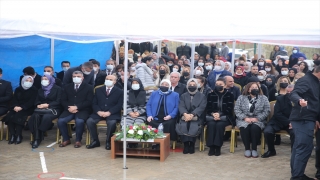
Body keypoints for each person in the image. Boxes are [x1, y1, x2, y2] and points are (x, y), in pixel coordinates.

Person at [289, 66, 320, 180]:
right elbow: (294, 94)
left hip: (308, 118)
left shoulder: (315, 81)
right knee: (304, 147)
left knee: (299, 146)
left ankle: (296, 173)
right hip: (303, 118)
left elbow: (316, 102)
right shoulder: (306, 80)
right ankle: (297, 176)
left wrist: (316, 118)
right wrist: (299, 101)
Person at [86, 75, 123, 150]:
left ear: (115, 82)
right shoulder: (98, 90)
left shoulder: (120, 91)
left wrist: (110, 112)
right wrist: (98, 111)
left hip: (112, 113)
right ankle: (95, 141)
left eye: (111, 79)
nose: (108, 80)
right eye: (107, 79)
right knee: (90, 121)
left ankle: (108, 141)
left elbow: (119, 105)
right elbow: (94, 103)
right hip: (99, 112)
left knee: (112, 123)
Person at [57, 71, 93, 148]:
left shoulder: (89, 87)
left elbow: (89, 101)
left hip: (83, 110)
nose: (76, 78)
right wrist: (69, 107)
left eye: (78, 76)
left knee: (79, 121)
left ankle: (78, 140)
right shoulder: (67, 87)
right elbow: (63, 100)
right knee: (60, 121)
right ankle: (66, 139)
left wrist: (77, 107)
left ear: (82, 78)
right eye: (74, 76)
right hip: (69, 109)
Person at [234, 82, 270, 158]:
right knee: (245, 127)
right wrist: (245, 118)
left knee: (254, 128)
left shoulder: (264, 98)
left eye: (256, 87)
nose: (255, 89)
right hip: (243, 119)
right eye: (252, 87)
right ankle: (247, 148)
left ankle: (254, 148)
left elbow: (267, 110)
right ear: (248, 89)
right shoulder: (241, 97)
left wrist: (257, 118)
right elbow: (237, 109)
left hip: (258, 119)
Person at [28, 75, 62, 148]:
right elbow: (36, 100)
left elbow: (59, 101)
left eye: (46, 79)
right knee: (35, 116)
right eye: (42, 79)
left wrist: (48, 105)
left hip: (53, 109)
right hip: (41, 109)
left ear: (51, 80)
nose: (44, 81)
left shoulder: (58, 89)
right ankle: (37, 138)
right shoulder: (40, 89)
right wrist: (39, 105)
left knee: (46, 117)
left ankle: (39, 135)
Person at [261, 85, 295, 158]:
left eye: (291, 92)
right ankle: (271, 150)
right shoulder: (280, 99)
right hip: (278, 121)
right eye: (287, 92)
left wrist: (292, 122)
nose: (289, 93)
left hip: (293, 122)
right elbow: (277, 114)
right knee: (267, 131)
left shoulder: (299, 101)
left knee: (295, 133)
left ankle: (294, 153)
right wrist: (288, 122)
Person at [206, 77, 234, 156]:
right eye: (217, 84)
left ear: (225, 85)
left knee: (219, 125)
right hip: (212, 116)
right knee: (211, 124)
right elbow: (208, 108)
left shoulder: (230, 95)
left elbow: (230, 108)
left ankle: (218, 147)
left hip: (225, 116)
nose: (218, 86)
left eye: (220, 84)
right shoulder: (211, 94)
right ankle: (211, 147)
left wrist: (220, 114)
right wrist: (213, 114)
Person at [5, 76, 37, 144]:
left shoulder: (34, 90)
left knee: (19, 116)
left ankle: (19, 135)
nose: (28, 82)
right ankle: (13, 135)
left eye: (30, 81)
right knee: (10, 116)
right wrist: (15, 106)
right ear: (23, 81)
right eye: (27, 80)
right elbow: (14, 99)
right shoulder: (18, 89)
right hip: (16, 107)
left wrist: (22, 107)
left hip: (28, 108)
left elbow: (31, 102)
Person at [178, 78, 206, 154]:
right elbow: (181, 106)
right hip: (185, 115)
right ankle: (186, 144)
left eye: (194, 85)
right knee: (184, 125)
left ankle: (192, 144)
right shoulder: (183, 95)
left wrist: (192, 114)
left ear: (197, 86)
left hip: (197, 116)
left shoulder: (202, 96)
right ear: (187, 86)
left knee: (193, 126)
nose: (192, 86)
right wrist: (185, 114)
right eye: (190, 85)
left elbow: (201, 107)